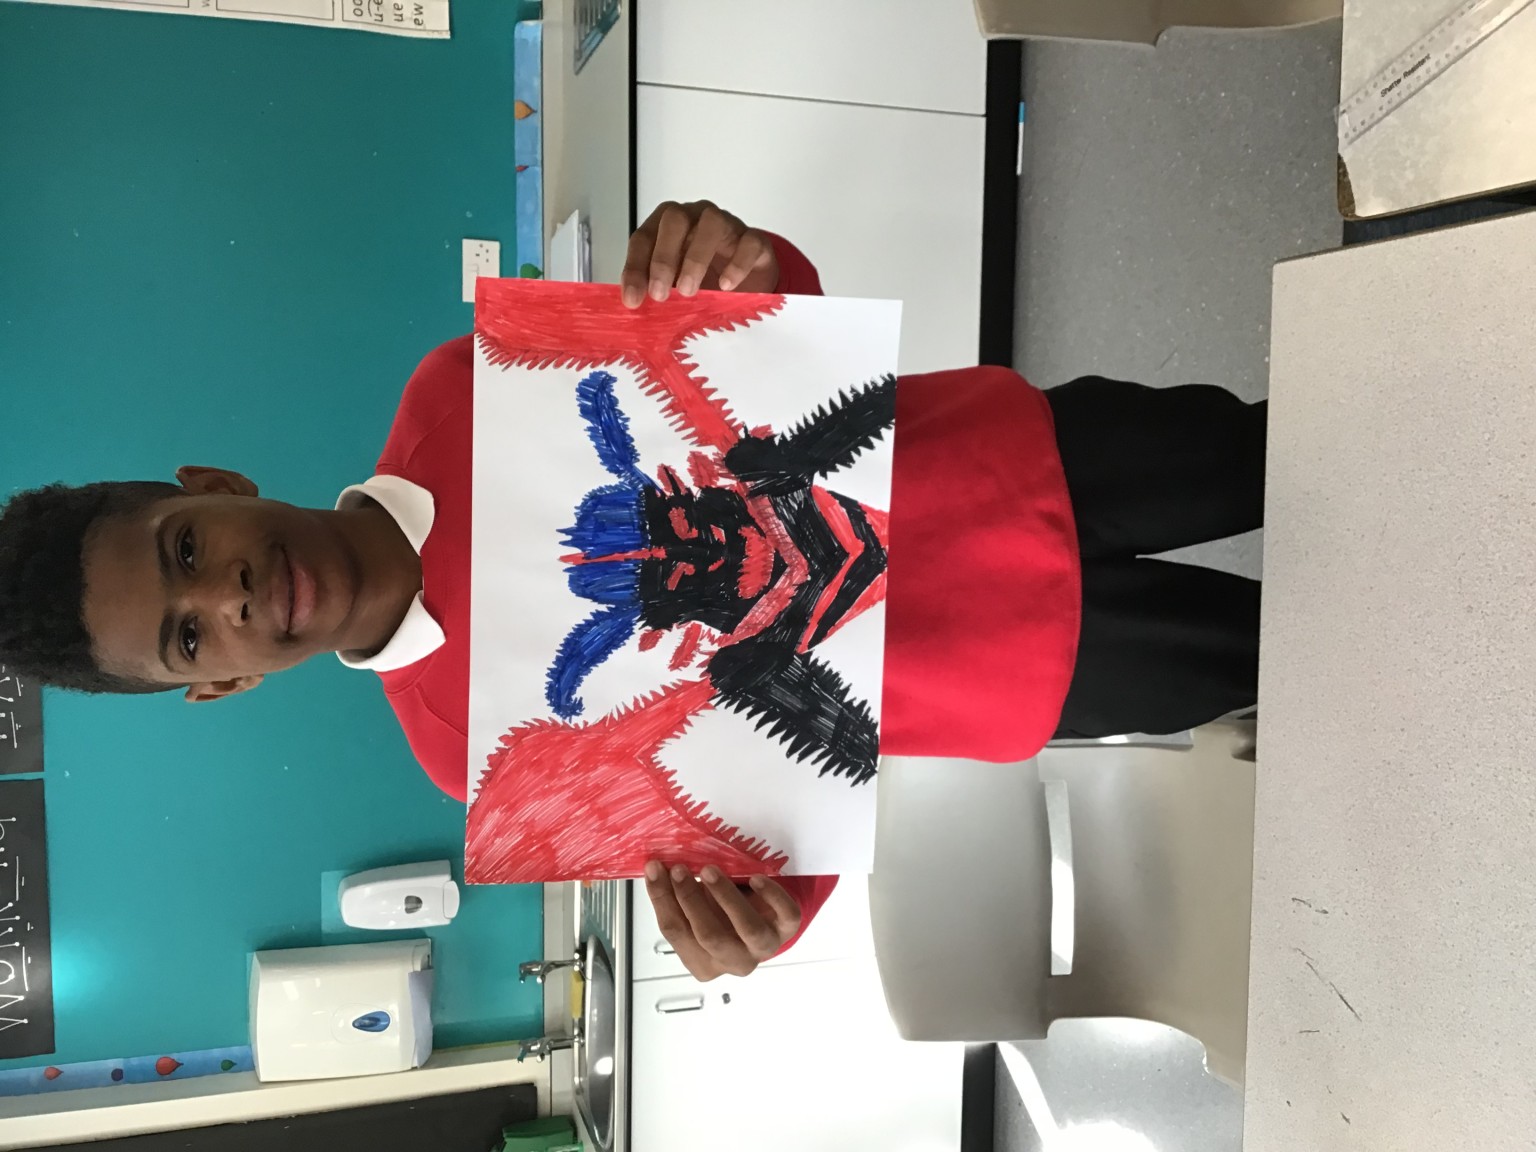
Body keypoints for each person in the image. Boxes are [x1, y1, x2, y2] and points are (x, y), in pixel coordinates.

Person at [0, 201, 1265, 981]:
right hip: (1014, 670)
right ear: (217, 684)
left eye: (184, 549)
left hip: (1013, 456)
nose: (225, 597)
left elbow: (768, 340)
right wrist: (757, 922)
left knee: (1301, 445)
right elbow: (764, 808)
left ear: (213, 484)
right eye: (187, 639)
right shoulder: (470, 753)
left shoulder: (460, 385)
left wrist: (740, 259)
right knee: (1302, 658)